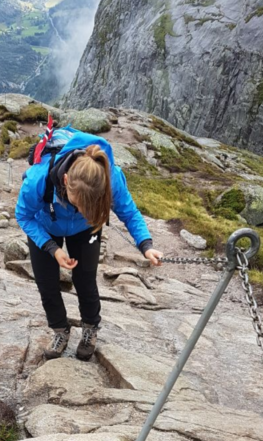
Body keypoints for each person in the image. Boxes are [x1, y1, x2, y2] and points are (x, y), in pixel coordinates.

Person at [15, 126, 163, 361]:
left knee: (85, 279)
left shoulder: (109, 178)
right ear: (65, 180)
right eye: (79, 203)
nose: (84, 209)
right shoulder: (38, 180)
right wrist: (52, 248)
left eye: (90, 204)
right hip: (46, 225)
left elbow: (129, 212)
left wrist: (146, 245)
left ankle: (90, 329)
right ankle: (60, 330)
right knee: (47, 283)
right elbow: (23, 215)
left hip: (85, 229)